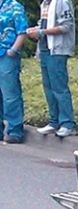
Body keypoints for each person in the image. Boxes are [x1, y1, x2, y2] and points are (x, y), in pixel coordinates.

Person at [26, 0, 76, 138]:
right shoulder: (45, 3)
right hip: (44, 49)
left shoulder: (62, 2)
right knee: (48, 87)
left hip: (57, 50)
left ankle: (67, 124)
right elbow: (44, 24)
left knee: (59, 87)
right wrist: (35, 30)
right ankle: (54, 122)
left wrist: (41, 32)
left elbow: (66, 26)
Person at [0, 0, 28, 144]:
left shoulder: (15, 6)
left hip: (7, 55)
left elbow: (22, 31)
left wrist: (13, 50)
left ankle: (15, 131)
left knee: (10, 94)